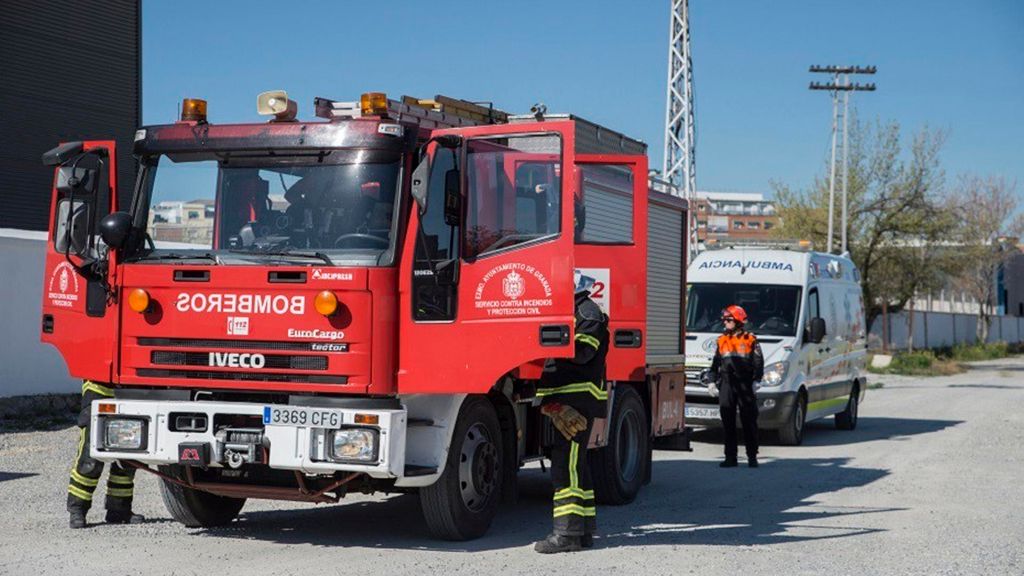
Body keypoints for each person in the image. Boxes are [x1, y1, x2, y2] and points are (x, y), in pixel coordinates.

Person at [533, 271, 610, 554]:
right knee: (577, 465)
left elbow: (583, 352)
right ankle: (584, 530)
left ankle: (566, 535)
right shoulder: (579, 311)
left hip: (579, 399)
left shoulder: (588, 314)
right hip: (569, 399)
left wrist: (545, 340)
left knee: (566, 467)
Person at [67, 380, 143, 528]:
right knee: (90, 458)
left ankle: (119, 510)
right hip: (99, 386)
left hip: (130, 385)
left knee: (128, 453)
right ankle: (77, 509)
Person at [706, 305, 764, 468]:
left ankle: (752, 456)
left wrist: (756, 380)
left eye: (728, 320)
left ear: (738, 321)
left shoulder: (750, 339)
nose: (725, 322)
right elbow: (716, 363)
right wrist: (712, 380)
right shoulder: (721, 340)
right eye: (724, 320)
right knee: (727, 421)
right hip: (727, 383)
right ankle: (730, 457)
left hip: (745, 383)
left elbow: (758, 362)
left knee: (749, 421)